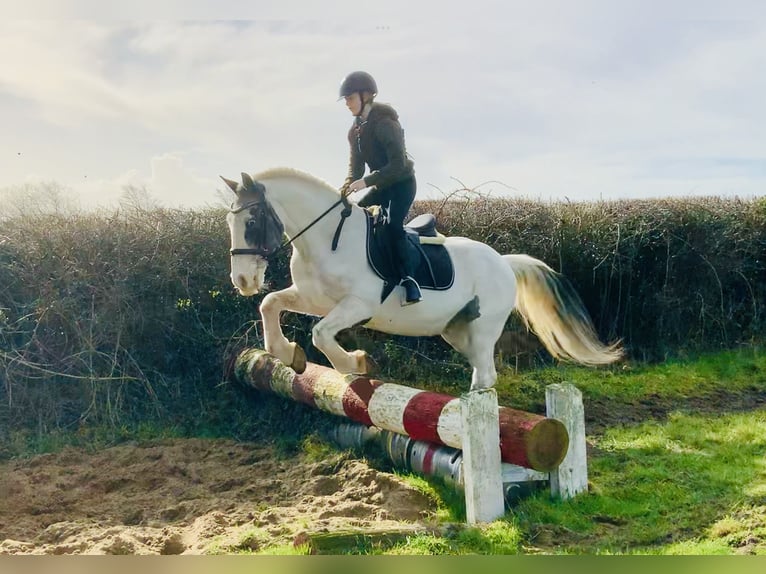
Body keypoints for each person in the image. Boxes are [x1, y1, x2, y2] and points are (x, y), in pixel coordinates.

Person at [338, 70, 422, 305]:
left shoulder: (385, 123)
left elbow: (398, 166)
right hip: (383, 186)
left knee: (393, 226)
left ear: (366, 96)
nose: (347, 104)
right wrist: (344, 189)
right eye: (345, 100)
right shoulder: (354, 131)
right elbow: (355, 170)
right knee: (356, 217)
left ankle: (408, 280)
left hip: (402, 184)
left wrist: (366, 183)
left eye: (350, 98)